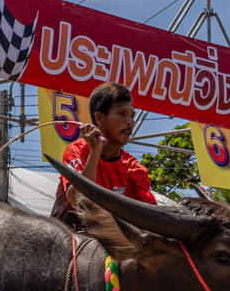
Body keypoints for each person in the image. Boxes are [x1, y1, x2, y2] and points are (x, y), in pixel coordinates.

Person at [55, 82, 156, 219]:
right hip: (72, 236)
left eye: (132, 115)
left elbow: (150, 216)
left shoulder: (134, 168)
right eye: (122, 113)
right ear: (99, 118)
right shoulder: (76, 151)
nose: (130, 122)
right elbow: (80, 202)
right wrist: (95, 151)